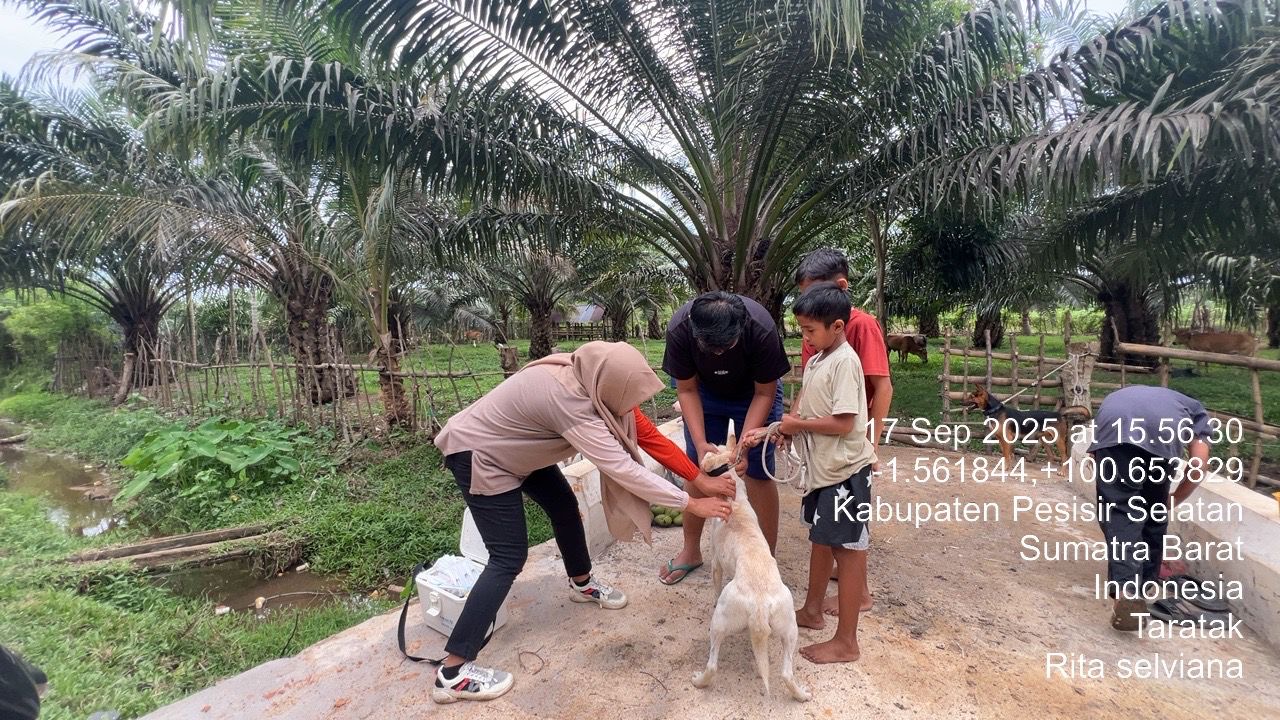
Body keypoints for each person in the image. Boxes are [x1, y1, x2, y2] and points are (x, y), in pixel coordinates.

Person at [432, 341, 734, 703]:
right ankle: (453, 672)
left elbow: (651, 437)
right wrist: (691, 502)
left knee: (564, 506)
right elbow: (621, 469)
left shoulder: (593, 378)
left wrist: (699, 479)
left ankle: (582, 583)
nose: (630, 407)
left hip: (519, 447)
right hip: (481, 454)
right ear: (612, 385)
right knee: (507, 558)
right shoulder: (571, 404)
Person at [745, 281, 875, 663]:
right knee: (822, 540)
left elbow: (844, 423)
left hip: (846, 473)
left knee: (847, 551)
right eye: (802, 329)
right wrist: (788, 427)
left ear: (837, 327)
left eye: (810, 330)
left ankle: (847, 642)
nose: (805, 337)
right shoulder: (820, 358)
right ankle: (812, 610)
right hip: (825, 473)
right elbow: (809, 405)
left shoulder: (846, 362)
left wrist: (796, 426)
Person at [658, 291, 791, 584]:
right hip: (704, 393)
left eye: (726, 347)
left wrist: (744, 445)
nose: (718, 354)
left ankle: (765, 561)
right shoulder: (680, 329)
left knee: (757, 469)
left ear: (741, 328)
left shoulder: (761, 328)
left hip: (753, 393)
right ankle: (691, 551)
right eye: (710, 348)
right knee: (697, 469)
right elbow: (687, 390)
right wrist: (702, 441)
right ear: (695, 332)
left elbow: (764, 393)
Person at [794, 248, 892, 612]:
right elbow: (809, 382)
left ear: (839, 288)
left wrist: (874, 443)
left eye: (813, 293)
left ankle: (858, 594)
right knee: (827, 530)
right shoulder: (815, 335)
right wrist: (791, 425)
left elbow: (881, 386)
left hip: (847, 447)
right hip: (825, 449)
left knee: (849, 538)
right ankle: (815, 604)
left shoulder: (859, 326)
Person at [1087, 385, 1212, 631]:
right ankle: (1143, 586)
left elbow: (1097, 446)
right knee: (1154, 512)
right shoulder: (1195, 412)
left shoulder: (1121, 396)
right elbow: (1198, 464)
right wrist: (1173, 499)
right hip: (1160, 441)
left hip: (1114, 426)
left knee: (1120, 513)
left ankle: (1127, 591)